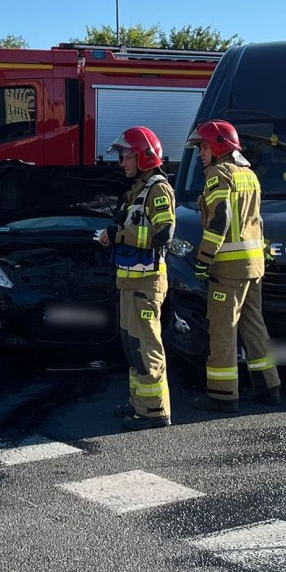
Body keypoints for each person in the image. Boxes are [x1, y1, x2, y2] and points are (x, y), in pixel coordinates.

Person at [187, 119, 282, 412]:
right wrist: (264, 252)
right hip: (254, 266)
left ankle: (222, 395)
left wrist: (203, 260)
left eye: (203, 147)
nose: (200, 153)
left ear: (218, 146)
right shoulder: (249, 175)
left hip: (228, 269)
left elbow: (220, 220)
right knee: (254, 325)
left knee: (222, 329)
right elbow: (256, 221)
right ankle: (269, 387)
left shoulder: (218, 173)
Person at [98, 126, 176, 431]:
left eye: (126, 156)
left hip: (146, 284)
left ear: (143, 156)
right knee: (133, 345)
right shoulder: (139, 190)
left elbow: (163, 234)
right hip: (130, 283)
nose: (122, 163)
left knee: (146, 345)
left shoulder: (158, 189)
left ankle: (155, 411)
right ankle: (139, 403)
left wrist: (119, 235)